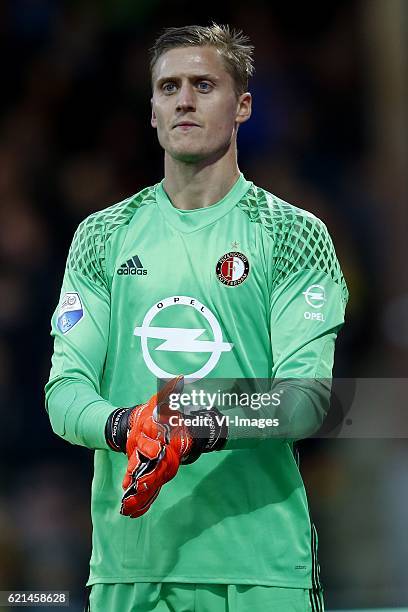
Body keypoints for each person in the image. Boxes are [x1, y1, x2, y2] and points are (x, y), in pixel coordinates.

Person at [45, 23, 348, 612]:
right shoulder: (100, 236)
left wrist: (193, 421)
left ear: (242, 107)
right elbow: (64, 393)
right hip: (129, 569)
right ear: (152, 111)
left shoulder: (294, 235)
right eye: (168, 87)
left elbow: (309, 399)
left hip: (260, 570)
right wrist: (128, 425)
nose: (183, 99)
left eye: (204, 85)